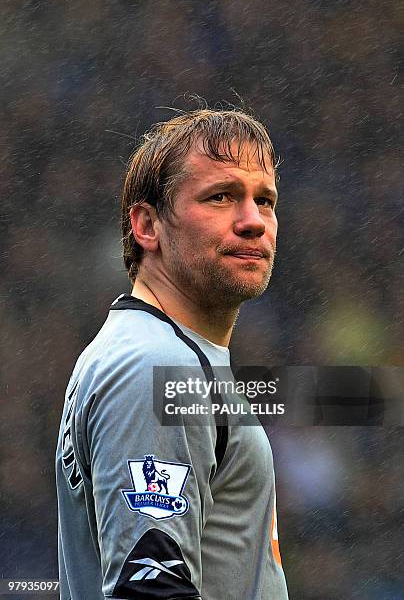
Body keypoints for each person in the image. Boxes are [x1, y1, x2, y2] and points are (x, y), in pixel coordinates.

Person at [56, 108, 289, 600]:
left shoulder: (158, 353)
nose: (252, 222)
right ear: (147, 226)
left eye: (264, 200)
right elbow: (149, 590)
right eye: (221, 197)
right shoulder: (155, 366)